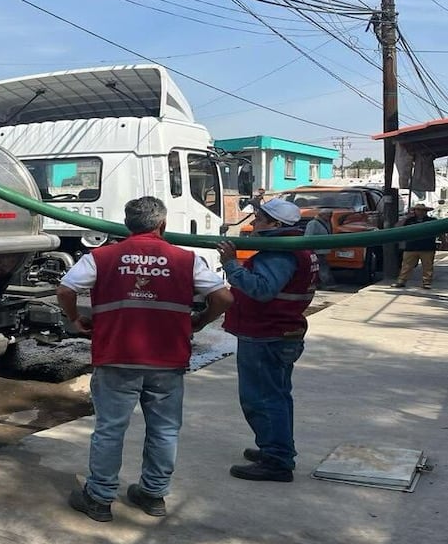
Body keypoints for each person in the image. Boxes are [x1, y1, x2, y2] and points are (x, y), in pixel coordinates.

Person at [57, 196, 233, 522]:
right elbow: (224, 297)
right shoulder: (186, 259)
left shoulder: (102, 256)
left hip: (117, 357)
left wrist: (74, 320)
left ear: (128, 224)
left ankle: (99, 498)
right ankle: (153, 495)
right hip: (167, 358)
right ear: (162, 225)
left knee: (110, 429)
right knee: (165, 430)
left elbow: (66, 290)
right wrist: (201, 320)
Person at [217, 198, 317, 483]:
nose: (254, 224)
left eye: (259, 219)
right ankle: (277, 450)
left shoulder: (280, 254)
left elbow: (261, 290)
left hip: (266, 334)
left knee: (262, 398)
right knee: (277, 396)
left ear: (276, 224)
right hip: (278, 333)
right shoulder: (295, 249)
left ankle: (276, 460)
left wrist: (232, 266)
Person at [394, 203, 438, 289]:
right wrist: (406, 217)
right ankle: (401, 281)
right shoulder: (409, 221)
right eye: (418, 210)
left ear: (426, 212)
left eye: (422, 210)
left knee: (427, 266)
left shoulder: (432, 220)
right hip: (411, 246)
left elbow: (439, 232)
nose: (420, 212)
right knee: (406, 266)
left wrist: (443, 241)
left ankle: (426, 282)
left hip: (427, 247)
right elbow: (397, 226)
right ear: (414, 211)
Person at [304, 208, 336, 290]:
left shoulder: (327, 223)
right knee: (322, 267)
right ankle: (327, 284)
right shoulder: (313, 223)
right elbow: (308, 237)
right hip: (316, 250)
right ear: (322, 215)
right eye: (328, 215)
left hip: (321, 250)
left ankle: (320, 283)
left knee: (319, 267)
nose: (329, 217)